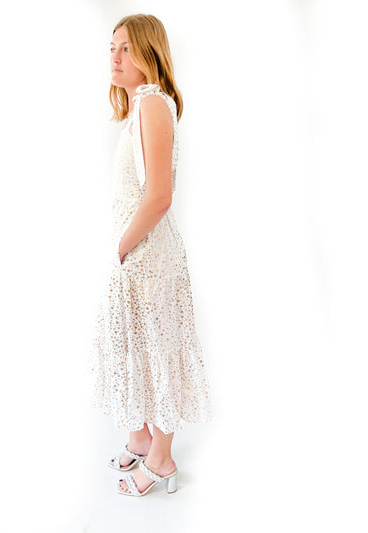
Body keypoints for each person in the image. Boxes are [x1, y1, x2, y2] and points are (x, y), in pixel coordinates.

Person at [87, 14, 212, 497]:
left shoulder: (154, 103)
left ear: (148, 52)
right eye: (111, 48)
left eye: (126, 48)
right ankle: (140, 438)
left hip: (147, 254)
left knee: (159, 349)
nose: (115, 58)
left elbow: (159, 196)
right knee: (131, 343)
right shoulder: (141, 105)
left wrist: (121, 247)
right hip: (134, 254)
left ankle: (161, 459)